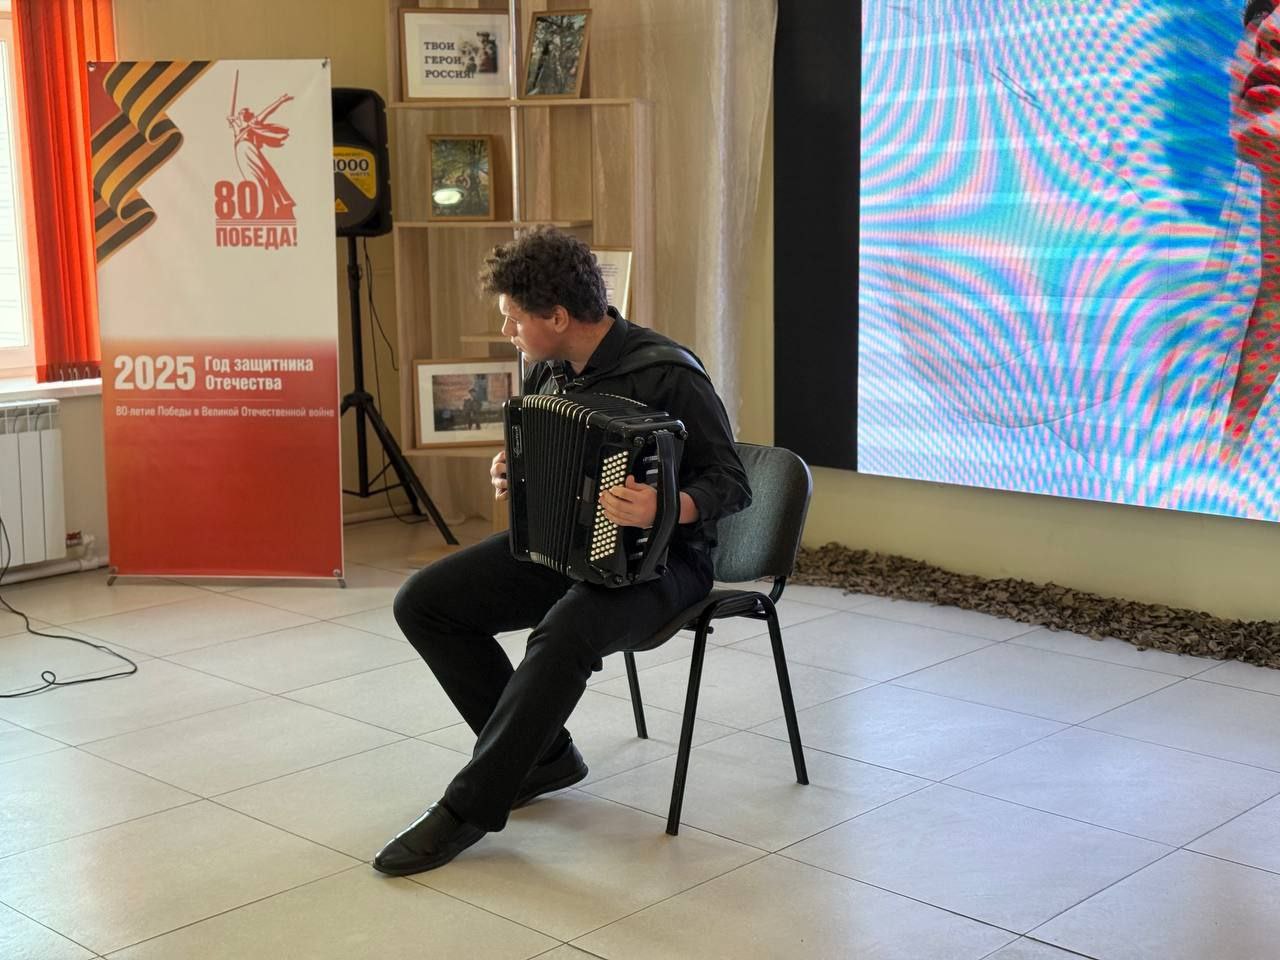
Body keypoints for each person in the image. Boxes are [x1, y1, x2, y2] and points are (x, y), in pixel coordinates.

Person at [375, 227, 751, 875]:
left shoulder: (666, 372)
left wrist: (666, 504)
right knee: (426, 602)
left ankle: (469, 808)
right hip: (567, 547)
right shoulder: (550, 368)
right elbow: (554, 455)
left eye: (514, 319)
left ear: (556, 316)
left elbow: (732, 482)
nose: (508, 332)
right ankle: (544, 758)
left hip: (665, 563)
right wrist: (516, 474)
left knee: (564, 632)